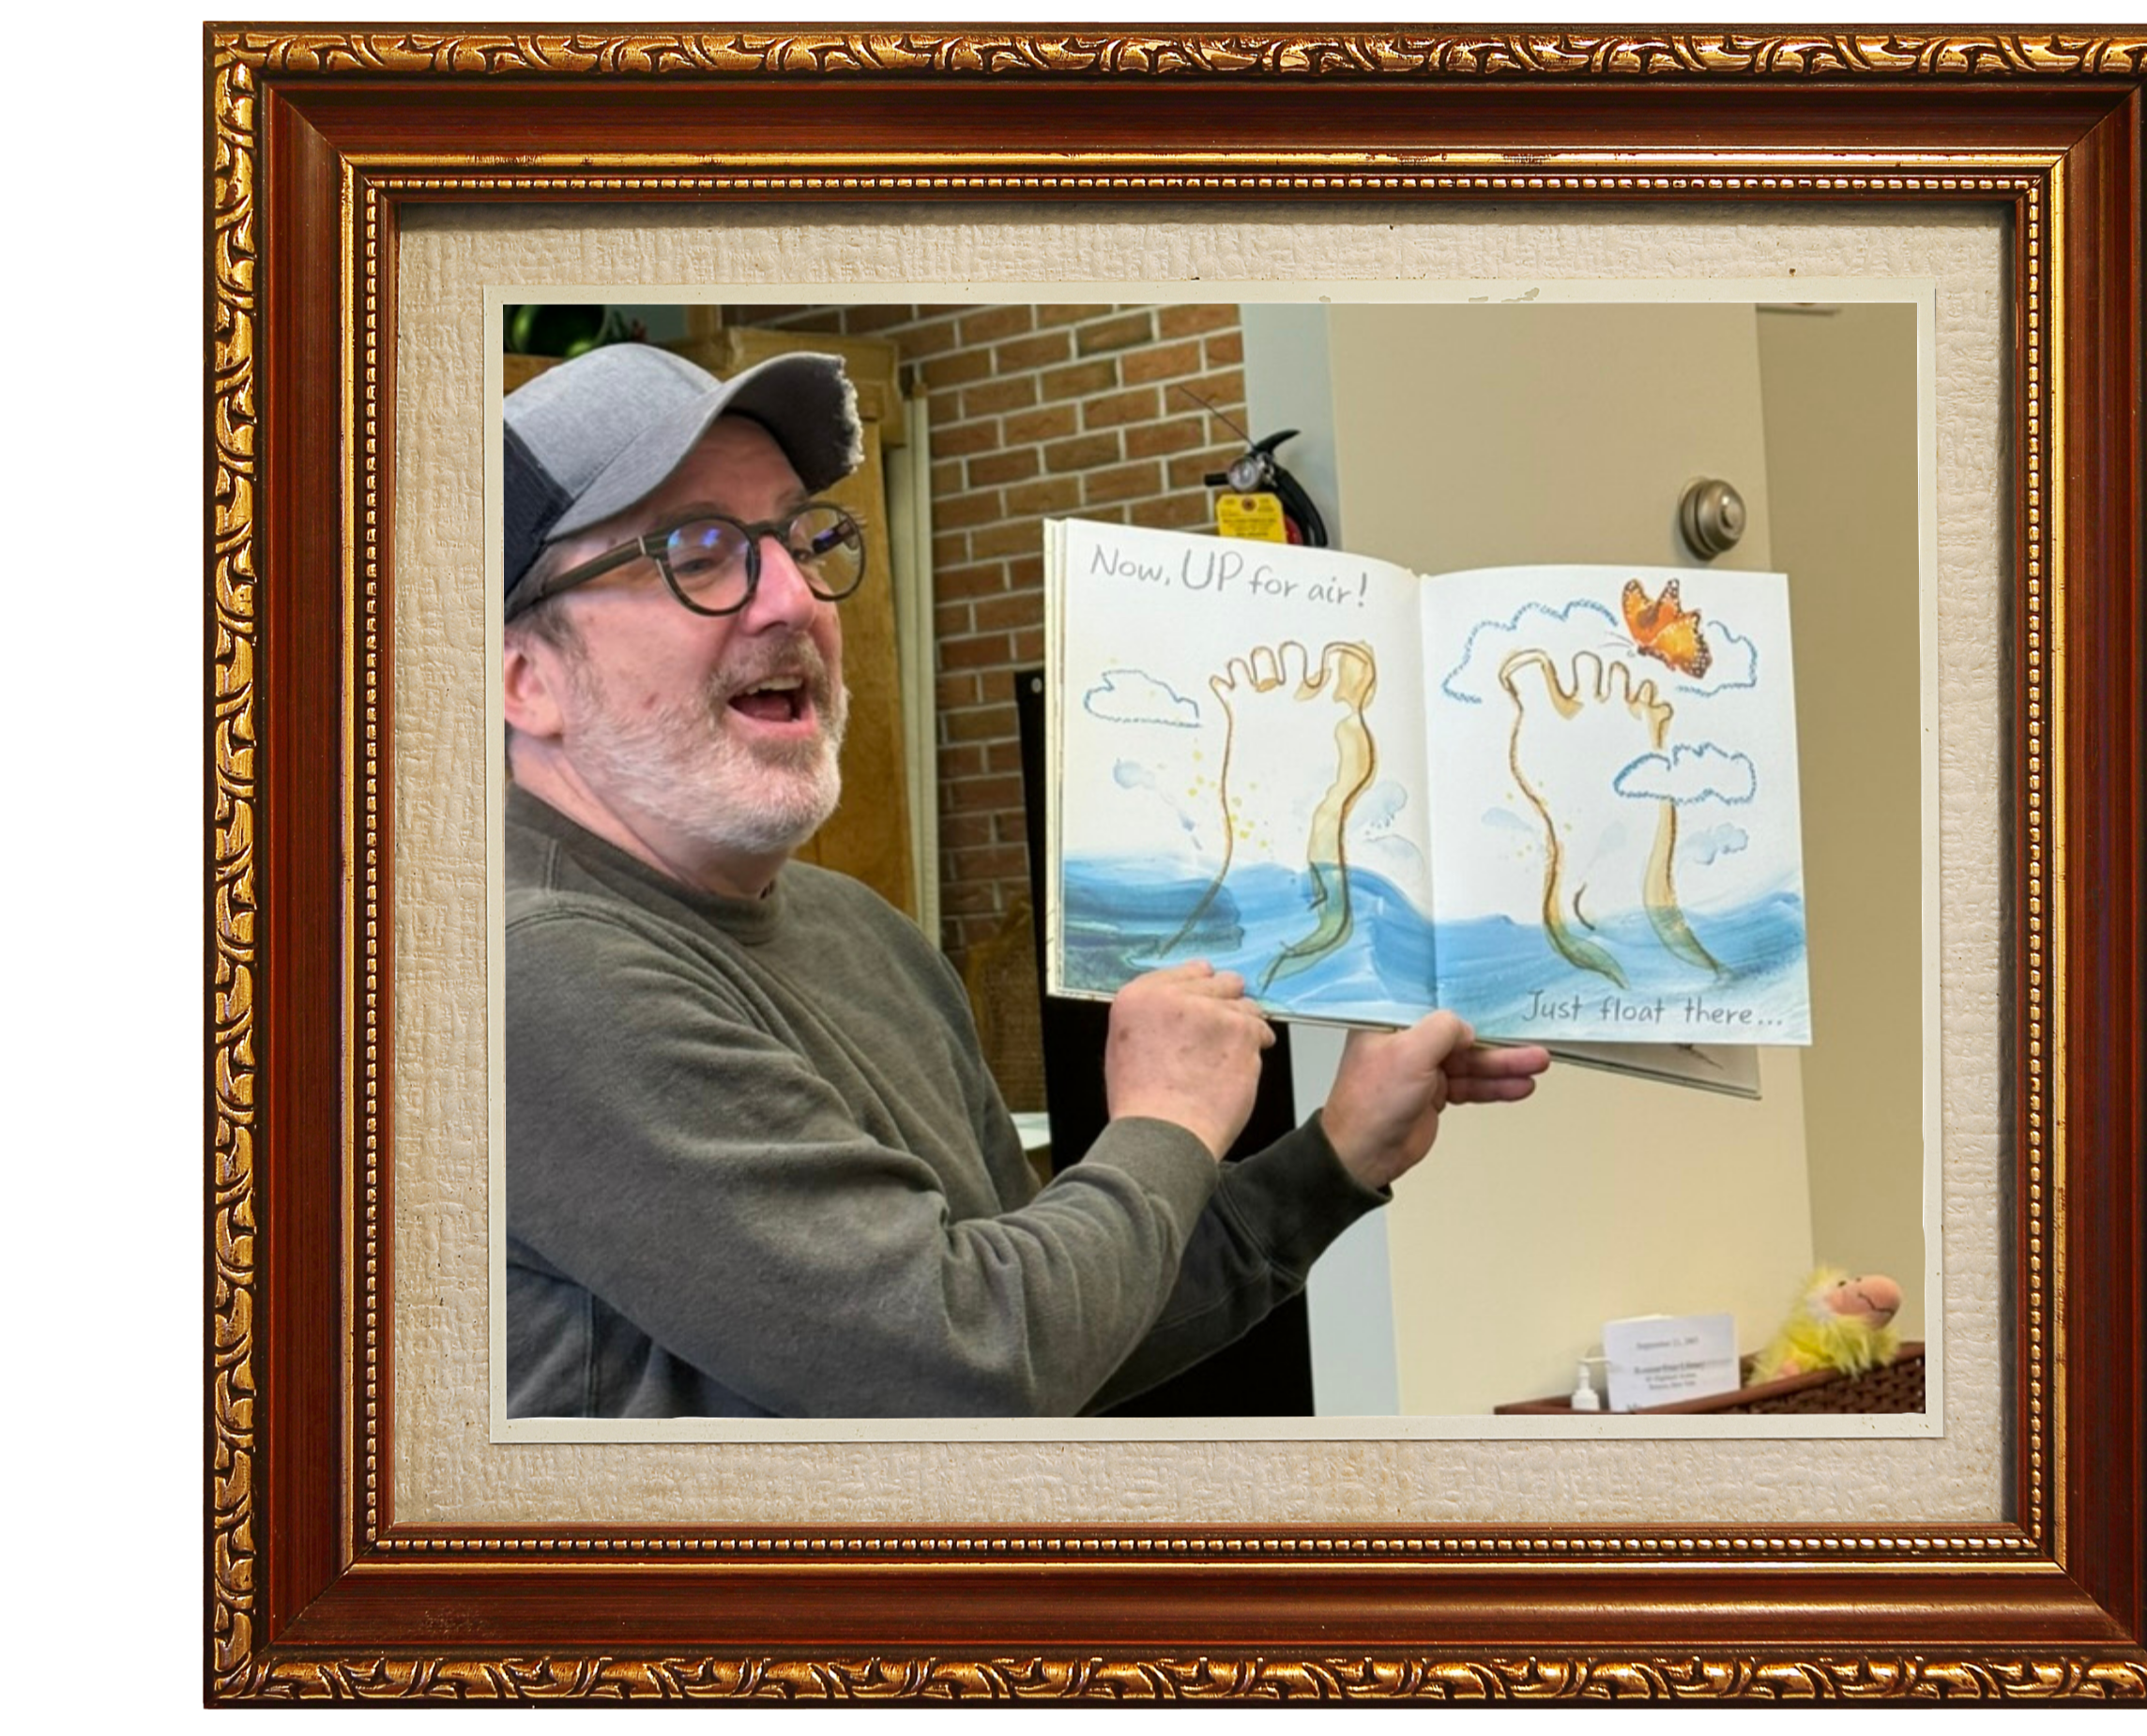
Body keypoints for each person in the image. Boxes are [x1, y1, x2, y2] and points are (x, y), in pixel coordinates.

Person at [500, 343, 1547, 1418]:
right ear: (526, 678)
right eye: (699, 550)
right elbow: (961, 1362)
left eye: (801, 537)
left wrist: (1332, 1156)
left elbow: (1057, 1333)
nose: (792, 598)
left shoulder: (859, 933)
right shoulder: (530, 972)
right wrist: (1171, 1116)